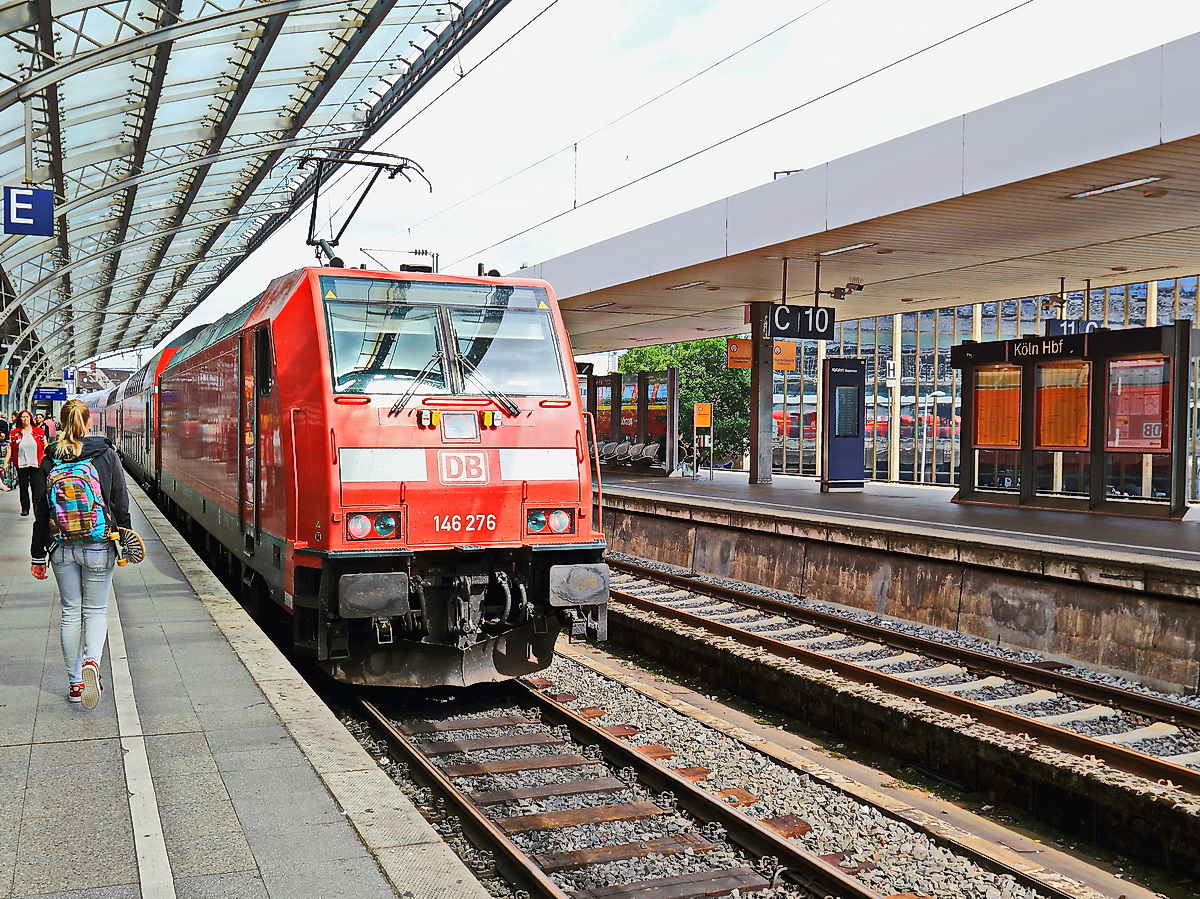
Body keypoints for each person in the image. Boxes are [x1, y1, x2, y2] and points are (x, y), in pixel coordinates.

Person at [31, 399, 131, 709]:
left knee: (70, 612)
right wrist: (124, 539)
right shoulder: (104, 453)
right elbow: (119, 500)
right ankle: (92, 664)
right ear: (88, 423)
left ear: (59, 423)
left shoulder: (50, 458)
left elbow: (41, 510)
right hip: (99, 544)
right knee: (96, 610)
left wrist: (37, 556)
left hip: (61, 546)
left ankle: (75, 684)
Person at [5, 410, 46, 515]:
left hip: (36, 463)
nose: (25, 419)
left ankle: (37, 507)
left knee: (35, 486)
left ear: (30, 418)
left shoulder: (39, 431)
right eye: (22, 417)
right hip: (21, 463)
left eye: (27, 416)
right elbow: (10, 448)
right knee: (23, 487)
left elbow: (45, 446)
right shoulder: (15, 433)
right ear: (20, 419)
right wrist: (5, 462)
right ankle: (25, 508)